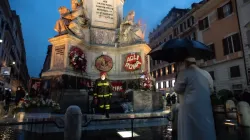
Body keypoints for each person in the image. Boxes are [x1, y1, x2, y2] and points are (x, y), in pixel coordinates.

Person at [174, 57, 216, 140]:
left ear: (185, 63)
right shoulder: (206, 73)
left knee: (189, 132)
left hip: (189, 109)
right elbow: (211, 90)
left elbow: (177, 89)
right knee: (206, 131)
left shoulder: (183, 73)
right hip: (205, 108)